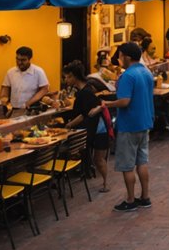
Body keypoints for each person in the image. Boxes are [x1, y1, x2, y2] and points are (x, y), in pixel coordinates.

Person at [101, 43, 153, 212]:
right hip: (144, 121)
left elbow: (124, 101)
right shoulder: (146, 72)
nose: (118, 59)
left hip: (129, 124)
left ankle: (130, 200)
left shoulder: (128, 76)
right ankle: (145, 197)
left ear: (127, 57)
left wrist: (106, 103)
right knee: (142, 161)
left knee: (127, 165)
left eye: (120, 55)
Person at [62, 60, 110, 193]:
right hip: (93, 127)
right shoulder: (85, 89)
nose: (66, 80)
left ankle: (106, 184)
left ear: (73, 76)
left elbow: (84, 114)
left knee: (99, 159)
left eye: (67, 77)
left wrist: (69, 125)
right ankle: (93, 175)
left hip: (99, 129)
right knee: (96, 158)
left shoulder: (85, 92)